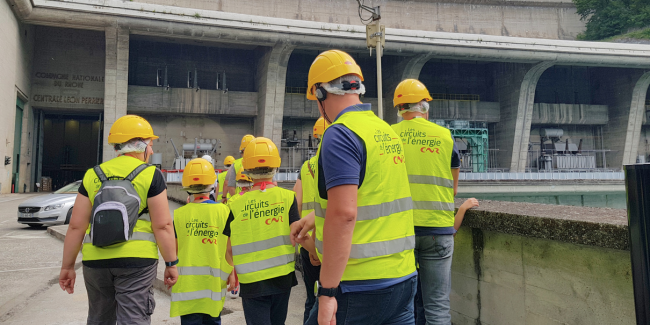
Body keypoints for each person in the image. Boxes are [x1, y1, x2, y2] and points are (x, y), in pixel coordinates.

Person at [292, 49, 417, 325]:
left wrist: (326, 293)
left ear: (321, 93)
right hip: (404, 279)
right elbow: (375, 194)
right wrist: (315, 217)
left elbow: (344, 214)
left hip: (358, 285)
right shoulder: (385, 130)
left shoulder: (339, 134)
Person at [58, 114, 178, 325]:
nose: (151, 149)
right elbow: (163, 225)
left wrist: (67, 267)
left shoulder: (93, 174)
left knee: (99, 319)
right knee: (133, 319)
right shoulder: (151, 175)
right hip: (137, 261)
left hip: (96, 261)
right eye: (150, 144)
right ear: (140, 145)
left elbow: (77, 226)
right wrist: (171, 263)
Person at [390, 79, 461, 325]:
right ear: (425, 107)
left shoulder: (388, 136)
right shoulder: (445, 136)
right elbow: (451, 190)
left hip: (400, 231)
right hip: (437, 230)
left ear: (399, 109)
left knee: (401, 308)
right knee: (438, 307)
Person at [223, 137, 301, 325]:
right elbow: (297, 235)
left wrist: (231, 273)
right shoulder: (288, 197)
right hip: (282, 278)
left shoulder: (235, 205)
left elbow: (229, 249)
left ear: (247, 170)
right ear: (276, 166)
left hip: (251, 281)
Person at [171, 158, 233, 325]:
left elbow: (174, 250)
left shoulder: (179, 215)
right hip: (213, 286)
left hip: (188, 289)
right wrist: (233, 273)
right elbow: (229, 250)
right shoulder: (224, 211)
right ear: (212, 184)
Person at [292, 117, 328, 323]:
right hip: (332, 242)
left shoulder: (305, 167)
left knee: (311, 298)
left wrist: (309, 246)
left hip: (308, 243)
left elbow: (297, 204)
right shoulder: (340, 162)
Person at [222, 135, 255, 203]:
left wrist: (237, 200)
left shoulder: (236, 164)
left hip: (240, 200)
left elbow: (230, 185)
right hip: (258, 201)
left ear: (242, 151)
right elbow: (273, 183)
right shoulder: (261, 162)